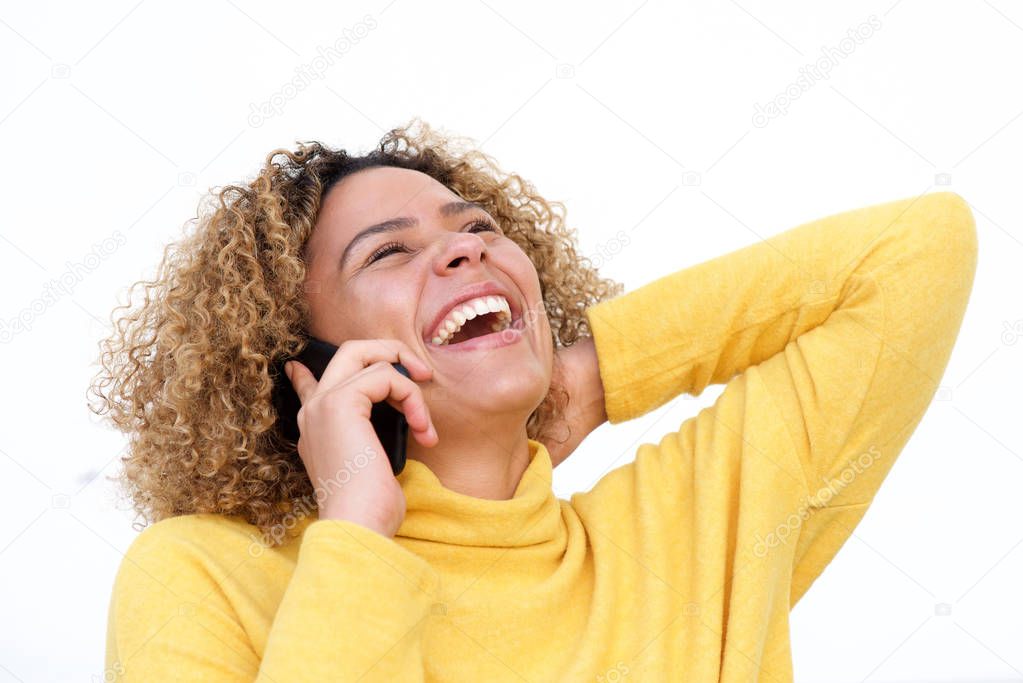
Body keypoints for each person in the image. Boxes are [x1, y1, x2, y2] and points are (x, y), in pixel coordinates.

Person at [91, 117, 978, 681]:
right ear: (302, 361)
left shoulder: (692, 530)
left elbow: (917, 251)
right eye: (386, 253)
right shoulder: (199, 574)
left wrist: (585, 379)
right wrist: (356, 528)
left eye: (478, 228)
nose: (465, 251)